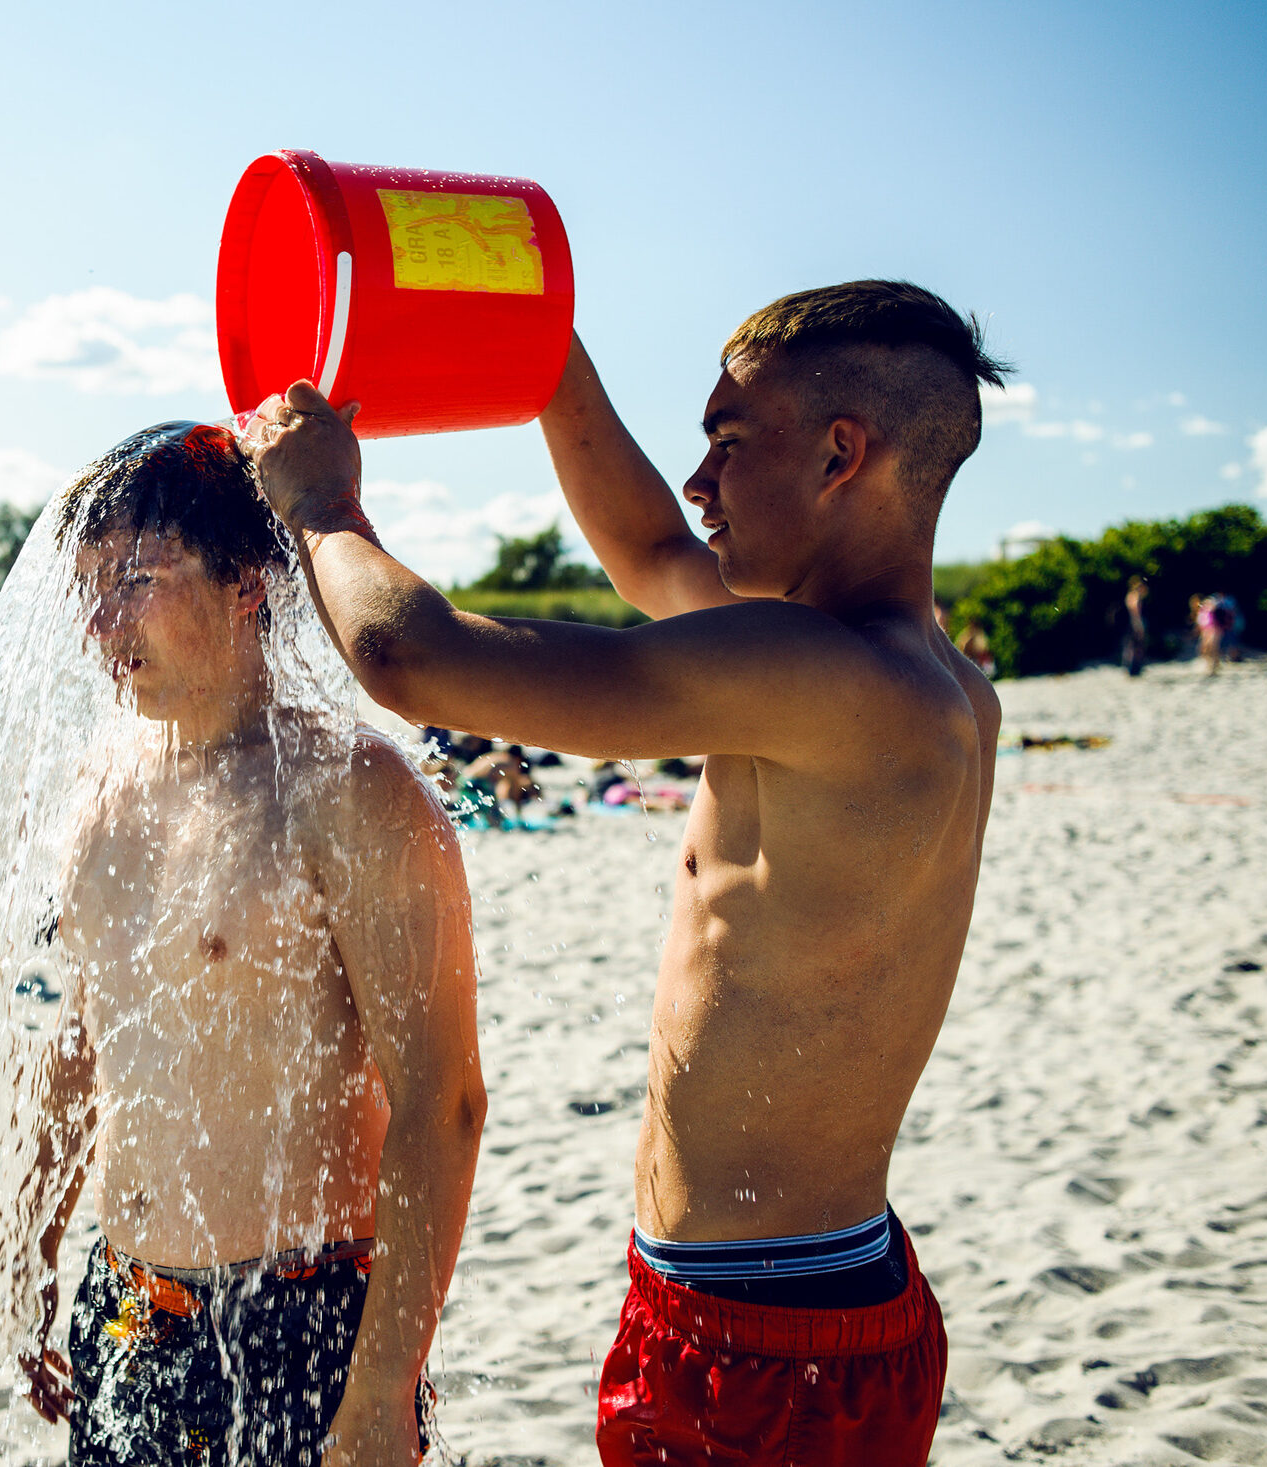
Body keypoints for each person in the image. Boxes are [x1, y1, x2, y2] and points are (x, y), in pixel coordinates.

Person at [249, 280, 1003, 1466]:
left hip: (764, 1340)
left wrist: (323, 505)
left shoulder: (825, 680)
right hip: (795, 1292)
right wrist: (545, 359)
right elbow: (651, 551)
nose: (699, 483)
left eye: (726, 442)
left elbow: (410, 654)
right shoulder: (931, 682)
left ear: (840, 455)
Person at [9, 423, 486, 1467]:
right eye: (89, 586)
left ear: (248, 584)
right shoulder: (103, 796)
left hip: (300, 1320)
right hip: (129, 1305)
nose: (101, 620)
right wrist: (30, 1249)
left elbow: (441, 1103)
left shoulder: (350, 792)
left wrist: (380, 1396)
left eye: (136, 577)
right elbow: (88, 1044)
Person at [1123, 575, 1149, 676]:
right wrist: (1139, 626)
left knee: (1130, 647)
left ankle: (1130, 668)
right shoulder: (1135, 596)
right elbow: (1136, 613)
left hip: (1130, 623)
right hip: (1135, 623)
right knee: (1137, 648)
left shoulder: (1129, 595)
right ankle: (1134, 668)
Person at [1195, 593, 1226, 675]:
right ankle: (1212, 664)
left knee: (1213, 648)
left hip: (1214, 630)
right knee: (1205, 649)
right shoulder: (1202, 612)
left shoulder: (1214, 612)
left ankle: (1213, 666)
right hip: (1205, 631)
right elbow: (1200, 624)